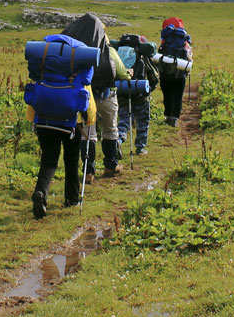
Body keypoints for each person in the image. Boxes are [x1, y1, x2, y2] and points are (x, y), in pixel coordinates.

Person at [63, 13, 129, 179]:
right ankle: (111, 165)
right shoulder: (109, 50)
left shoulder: (78, 51)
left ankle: (88, 171)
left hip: (86, 97)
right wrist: (129, 74)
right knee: (110, 129)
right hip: (107, 95)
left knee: (88, 132)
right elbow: (123, 74)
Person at [30, 87, 96, 218]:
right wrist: (90, 118)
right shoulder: (77, 68)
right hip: (71, 122)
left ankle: (41, 192)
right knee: (71, 160)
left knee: (48, 160)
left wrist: (33, 117)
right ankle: (71, 199)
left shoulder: (45, 67)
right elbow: (88, 98)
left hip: (45, 119)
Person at [115, 34, 158, 155]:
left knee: (123, 121)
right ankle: (140, 148)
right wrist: (148, 90)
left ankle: (119, 139)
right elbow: (154, 77)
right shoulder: (142, 58)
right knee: (143, 121)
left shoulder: (117, 57)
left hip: (122, 94)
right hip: (140, 97)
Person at [158, 18, 192, 127]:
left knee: (166, 95)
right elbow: (189, 56)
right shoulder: (183, 39)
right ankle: (175, 118)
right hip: (180, 73)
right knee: (178, 96)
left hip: (165, 73)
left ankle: (167, 116)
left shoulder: (165, 39)